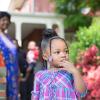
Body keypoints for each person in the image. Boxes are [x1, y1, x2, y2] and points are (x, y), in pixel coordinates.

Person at [31, 34, 87, 99]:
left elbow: (82, 93)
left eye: (66, 51)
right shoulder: (40, 75)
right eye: (57, 52)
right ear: (45, 56)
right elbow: (35, 95)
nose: (63, 55)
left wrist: (75, 72)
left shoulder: (70, 73)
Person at [0, 11, 19, 100]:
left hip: (12, 70)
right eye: (3, 20)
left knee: (11, 94)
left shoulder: (9, 38)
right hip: (1, 70)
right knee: (2, 94)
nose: (6, 22)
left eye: (8, 21)